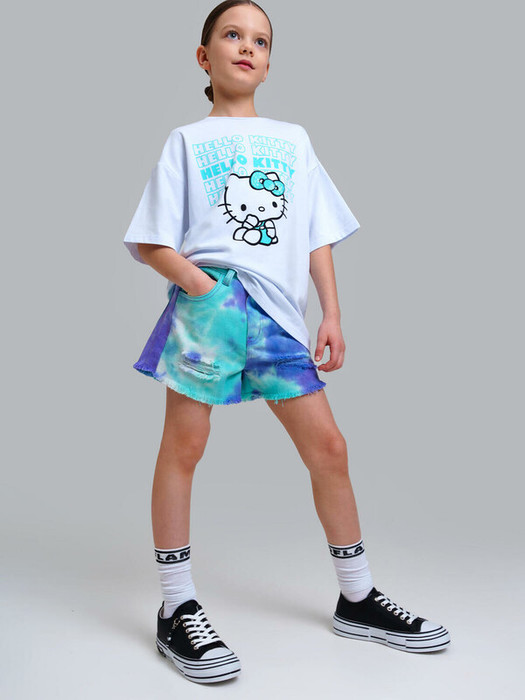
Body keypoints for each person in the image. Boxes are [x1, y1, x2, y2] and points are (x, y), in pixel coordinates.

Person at [123, 0, 451, 685]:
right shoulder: (185, 141)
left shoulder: (294, 140)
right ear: (203, 57)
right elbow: (151, 239)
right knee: (184, 445)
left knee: (328, 448)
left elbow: (314, 232)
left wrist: (331, 312)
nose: (247, 47)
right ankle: (176, 607)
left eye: (261, 40)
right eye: (231, 35)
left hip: (279, 314)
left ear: (269, 63)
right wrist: (204, 287)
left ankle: (356, 597)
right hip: (210, 307)